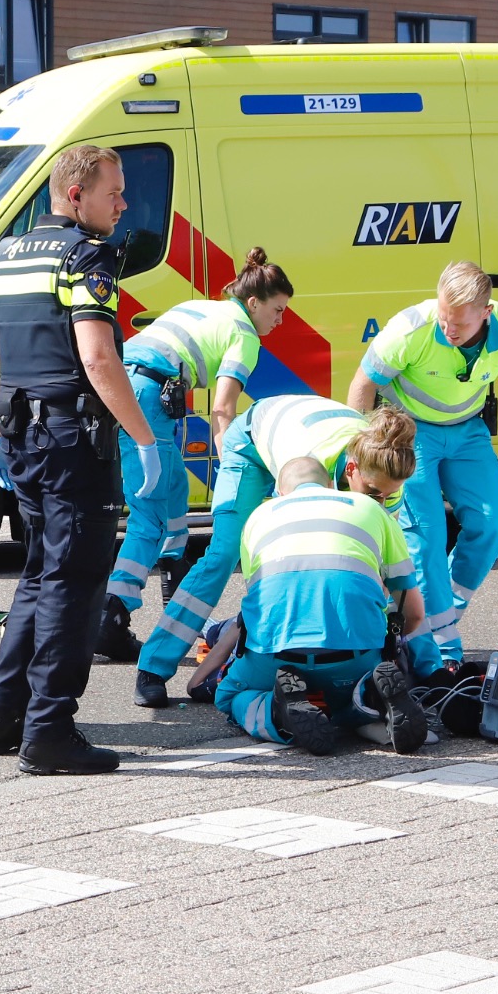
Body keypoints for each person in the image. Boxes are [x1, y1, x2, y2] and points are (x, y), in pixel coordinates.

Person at [0, 144, 164, 775]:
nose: (124, 203)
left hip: (24, 437)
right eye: (115, 191)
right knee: (75, 585)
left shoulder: (9, 252)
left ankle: (2, 717)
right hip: (73, 440)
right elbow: (99, 359)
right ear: (76, 194)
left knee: (37, 574)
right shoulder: (88, 255)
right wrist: (144, 439)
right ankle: (50, 729)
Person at [137, 397, 417, 703]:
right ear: (351, 469)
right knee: (224, 555)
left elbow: (385, 566)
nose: (380, 502)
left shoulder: (385, 471)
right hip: (252, 443)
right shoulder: (309, 460)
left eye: (387, 497)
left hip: (301, 429)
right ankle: (153, 667)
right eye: (374, 493)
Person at [98, 252, 298, 678]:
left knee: (172, 508)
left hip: (128, 387)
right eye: (277, 310)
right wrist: (232, 467)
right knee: (150, 517)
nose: (280, 321)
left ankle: (175, 606)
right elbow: (223, 408)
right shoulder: (245, 334)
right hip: (147, 398)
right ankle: (110, 619)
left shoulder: (207, 306)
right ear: (255, 303)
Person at [347, 261, 498, 673]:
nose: (448, 330)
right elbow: (361, 387)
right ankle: (441, 654)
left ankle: (433, 617)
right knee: (426, 539)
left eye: (459, 324)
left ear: (486, 313)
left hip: (466, 429)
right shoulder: (411, 330)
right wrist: (363, 461)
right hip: (410, 430)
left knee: (493, 526)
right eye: (443, 317)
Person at [211, 456, 429, 755]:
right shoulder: (371, 509)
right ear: (330, 484)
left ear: (279, 492)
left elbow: (264, 604)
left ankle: (276, 713)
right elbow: (413, 612)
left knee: (229, 695)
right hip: (355, 653)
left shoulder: (258, 517)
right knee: (351, 685)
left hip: (277, 653)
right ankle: (369, 699)